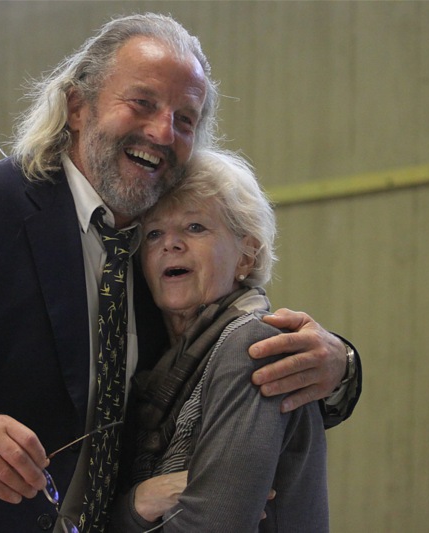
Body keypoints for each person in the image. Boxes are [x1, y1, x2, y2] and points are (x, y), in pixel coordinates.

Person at [0, 13, 360, 533]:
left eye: (184, 119)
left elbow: (229, 360)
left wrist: (340, 364)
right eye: (142, 103)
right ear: (76, 107)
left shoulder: (160, 257)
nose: (163, 132)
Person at [112, 148, 329, 532]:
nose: (170, 244)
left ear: (247, 256)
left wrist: (127, 513)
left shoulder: (253, 346)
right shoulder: (160, 360)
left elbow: (214, 523)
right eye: (154, 233)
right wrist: (138, 502)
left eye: (195, 227)